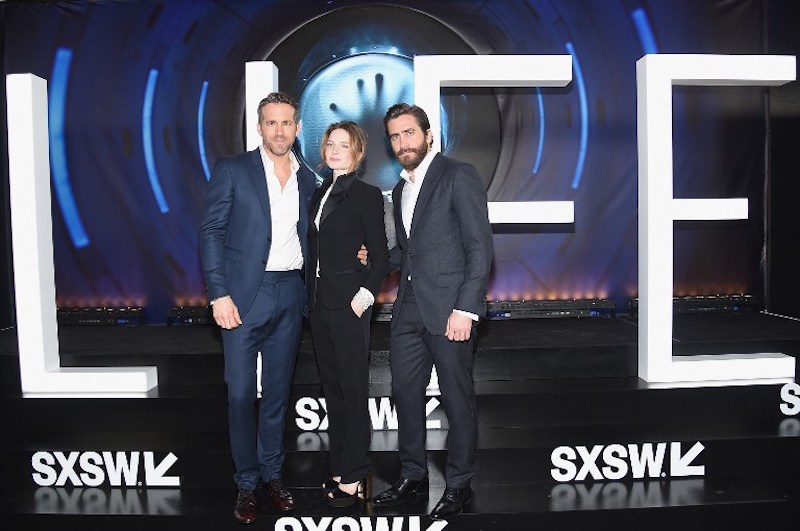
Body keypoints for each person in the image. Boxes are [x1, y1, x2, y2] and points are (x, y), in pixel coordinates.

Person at [371, 103, 493, 520]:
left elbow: (480, 248)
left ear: (428, 135)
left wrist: (466, 308)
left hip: (450, 311)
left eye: (409, 133)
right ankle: (413, 475)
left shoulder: (459, 175)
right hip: (407, 311)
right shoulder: (401, 188)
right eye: (395, 136)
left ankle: (458, 484)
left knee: (457, 400)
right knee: (404, 395)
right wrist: (367, 259)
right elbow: (406, 253)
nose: (403, 142)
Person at [200, 92, 315, 524]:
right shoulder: (233, 170)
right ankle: (246, 483)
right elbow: (211, 232)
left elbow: (318, 235)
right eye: (271, 123)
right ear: (260, 126)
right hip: (243, 295)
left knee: (277, 396)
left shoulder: (308, 178)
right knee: (241, 394)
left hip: (291, 292)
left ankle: (273, 475)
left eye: (287, 123)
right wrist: (218, 294)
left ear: (298, 127)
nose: (280, 131)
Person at [307, 121, 389, 507]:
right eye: (331, 144)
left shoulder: (367, 195)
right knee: (334, 391)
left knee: (354, 391)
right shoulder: (318, 192)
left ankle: (355, 476)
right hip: (319, 303)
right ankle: (340, 467)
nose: (336, 150)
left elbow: (381, 256)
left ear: (358, 154)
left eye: (345, 145)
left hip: (350, 305)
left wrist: (364, 297)